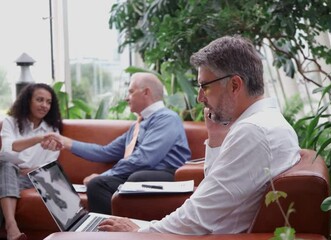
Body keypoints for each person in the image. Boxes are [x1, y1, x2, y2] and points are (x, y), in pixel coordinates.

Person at [97, 35, 301, 234]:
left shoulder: (253, 132)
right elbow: (214, 194)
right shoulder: (265, 122)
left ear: (235, 85)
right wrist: (215, 138)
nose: (200, 97)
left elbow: (197, 217)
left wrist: (141, 231)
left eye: (205, 86)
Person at [50, 72, 191, 214]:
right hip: (138, 176)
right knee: (98, 185)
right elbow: (105, 152)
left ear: (146, 92)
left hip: (165, 175)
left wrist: (105, 175)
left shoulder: (167, 119)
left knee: (132, 178)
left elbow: (144, 159)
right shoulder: (137, 126)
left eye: (130, 92)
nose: (126, 98)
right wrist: (67, 143)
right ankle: (107, 230)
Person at [0, 83, 63, 240]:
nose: (44, 105)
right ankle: (11, 225)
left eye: (48, 102)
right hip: (9, 172)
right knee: (7, 168)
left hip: (32, 178)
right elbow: (6, 152)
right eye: (39, 100)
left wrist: (29, 169)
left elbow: (50, 163)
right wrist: (37, 139)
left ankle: (10, 226)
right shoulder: (10, 122)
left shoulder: (52, 130)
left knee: (6, 171)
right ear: (28, 101)